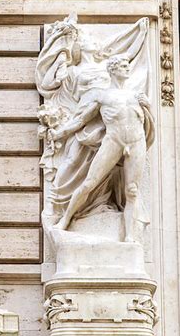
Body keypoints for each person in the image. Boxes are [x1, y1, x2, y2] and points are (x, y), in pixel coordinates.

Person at [49, 56, 154, 241]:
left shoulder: (136, 95)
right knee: (89, 183)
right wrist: (60, 133)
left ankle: (130, 236)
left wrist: (148, 106)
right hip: (113, 141)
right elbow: (81, 120)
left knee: (132, 190)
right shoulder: (102, 95)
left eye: (127, 65)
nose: (127, 68)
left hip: (136, 143)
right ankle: (65, 220)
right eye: (123, 66)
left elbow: (147, 121)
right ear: (112, 70)